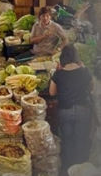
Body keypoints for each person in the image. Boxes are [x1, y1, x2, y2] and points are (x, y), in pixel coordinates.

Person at [49, 44, 93, 173]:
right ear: (76, 57)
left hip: (65, 110)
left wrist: (58, 71)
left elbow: (52, 93)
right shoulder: (85, 72)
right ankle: (80, 167)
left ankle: (67, 168)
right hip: (83, 109)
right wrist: (84, 68)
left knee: (67, 139)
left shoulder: (58, 74)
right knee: (81, 138)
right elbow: (91, 89)